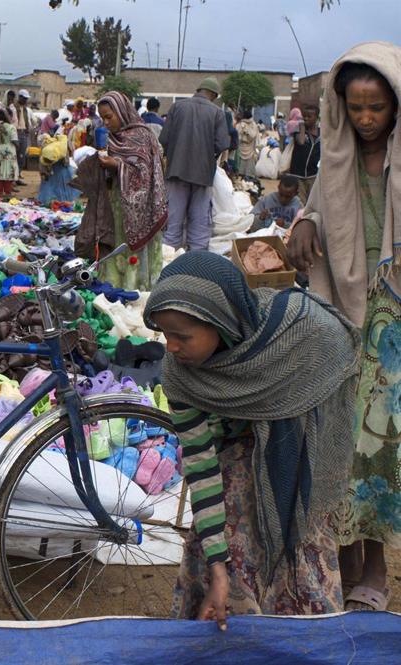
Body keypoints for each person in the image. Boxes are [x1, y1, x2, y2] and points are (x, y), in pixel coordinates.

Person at [145, 251, 359, 628]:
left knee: (300, 554)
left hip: (301, 469)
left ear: (222, 323)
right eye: (164, 335)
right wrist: (218, 565)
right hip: (234, 467)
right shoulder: (181, 376)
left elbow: (337, 349)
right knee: (234, 545)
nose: (171, 347)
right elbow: (200, 463)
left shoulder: (298, 336)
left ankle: (304, 640)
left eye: (181, 336)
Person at [287, 42, 401, 613]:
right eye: (356, 108)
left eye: (377, 107)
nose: (365, 119)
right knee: (342, 440)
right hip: (345, 316)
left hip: (396, 322)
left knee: (381, 444)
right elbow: (315, 209)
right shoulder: (336, 158)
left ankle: (376, 561)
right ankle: (348, 556)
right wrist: (305, 224)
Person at [79, 91, 167, 291]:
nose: (106, 123)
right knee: (118, 241)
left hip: (142, 208)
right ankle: (114, 283)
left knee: (134, 249)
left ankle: (137, 285)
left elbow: (146, 172)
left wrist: (117, 165)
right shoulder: (114, 138)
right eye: (103, 118)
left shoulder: (142, 135)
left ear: (122, 111)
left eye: (109, 117)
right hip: (118, 202)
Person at [158, 77, 229, 251]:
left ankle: (169, 258)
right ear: (213, 94)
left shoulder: (177, 107)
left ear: (198, 90)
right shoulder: (217, 112)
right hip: (203, 174)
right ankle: (196, 262)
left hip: (176, 171)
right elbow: (222, 144)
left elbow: (164, 138)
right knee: (199, 221)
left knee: (173, 220)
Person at [284, 102, 321, 203]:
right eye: (304, 116)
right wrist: (301, 125)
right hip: (297, 175)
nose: (306, 118)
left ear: (317, 118)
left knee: (311, 202)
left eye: (309, 116)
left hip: (312, 175)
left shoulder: (321, 134)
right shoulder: (299, 131)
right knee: (300, 203)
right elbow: (301, 142)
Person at [0, 109, 17, 198]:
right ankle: (8, 191)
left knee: (1, 169)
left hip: (1, 149)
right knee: (9, 170)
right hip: (10, 149)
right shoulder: (12, 127)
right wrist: (18, 147)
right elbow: (15, 140)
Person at [14, 89, 33, 180]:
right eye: (24, 98)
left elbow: (26, 120)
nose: (26, 100)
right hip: (16, 132)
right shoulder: (14, 106)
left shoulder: (25, 109)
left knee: (22, 156)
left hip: (23, 132)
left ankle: (18, 174)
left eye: (26, 99)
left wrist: (27, 129)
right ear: (20, 97)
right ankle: (14, 176)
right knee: (16, 155)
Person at [236, 109, 260, 176]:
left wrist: (247, 131)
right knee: (241, 163)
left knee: (249, 163)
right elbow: (238, 135)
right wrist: (242, 130)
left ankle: (248, 175)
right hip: (241, 146)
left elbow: (253, 135)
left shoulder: (253, 124)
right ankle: (240, 174)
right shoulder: (240, 124)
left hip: (250, 147)